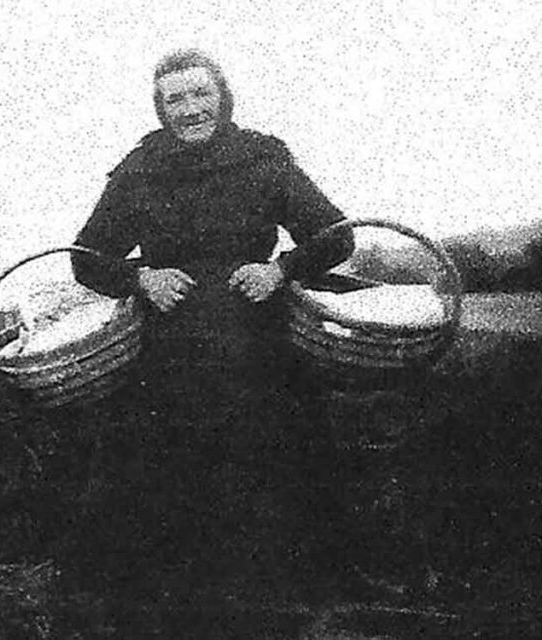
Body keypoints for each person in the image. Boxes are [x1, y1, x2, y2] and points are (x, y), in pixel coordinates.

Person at [69, 49, 355, 598]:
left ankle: (282, 604)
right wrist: (140, 280)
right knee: (164, 486)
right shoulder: (139, 170)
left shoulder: (265, 159)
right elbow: (86, 257)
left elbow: (337, 235)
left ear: (222, 97)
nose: (190, 109)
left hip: (259, 343)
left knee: (273, 473)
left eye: (200, 94)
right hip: (168, 350)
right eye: (174, 98)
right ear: (160, 108)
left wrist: (282, 269)